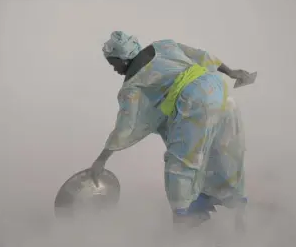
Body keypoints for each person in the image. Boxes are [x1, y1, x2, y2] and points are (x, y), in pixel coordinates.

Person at [89, 31, 252, 230]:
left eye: (113, 63)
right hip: (219, 90)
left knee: (181, 162)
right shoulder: (163, 45)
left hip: (195, 103)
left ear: (123, 59)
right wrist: (231, 72)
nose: (114, 69)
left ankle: (183, 220)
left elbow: (124, 128)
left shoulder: (132, 87)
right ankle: (238, 213)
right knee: (226, 150)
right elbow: (202, 56)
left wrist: (102, 159)